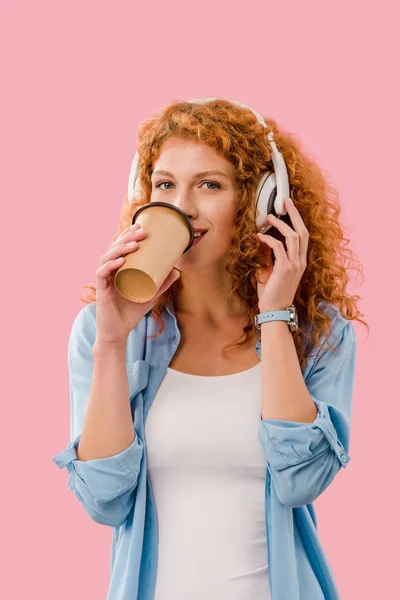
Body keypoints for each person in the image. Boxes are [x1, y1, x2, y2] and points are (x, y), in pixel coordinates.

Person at [52, 98, 367, 600]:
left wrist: (275, 315)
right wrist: (112, 342)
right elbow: (104, 502)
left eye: (210, 185)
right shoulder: (104, 332)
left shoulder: (319, 332)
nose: (182, 206)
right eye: (165, 184)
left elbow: (300, 482)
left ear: (259, 201)